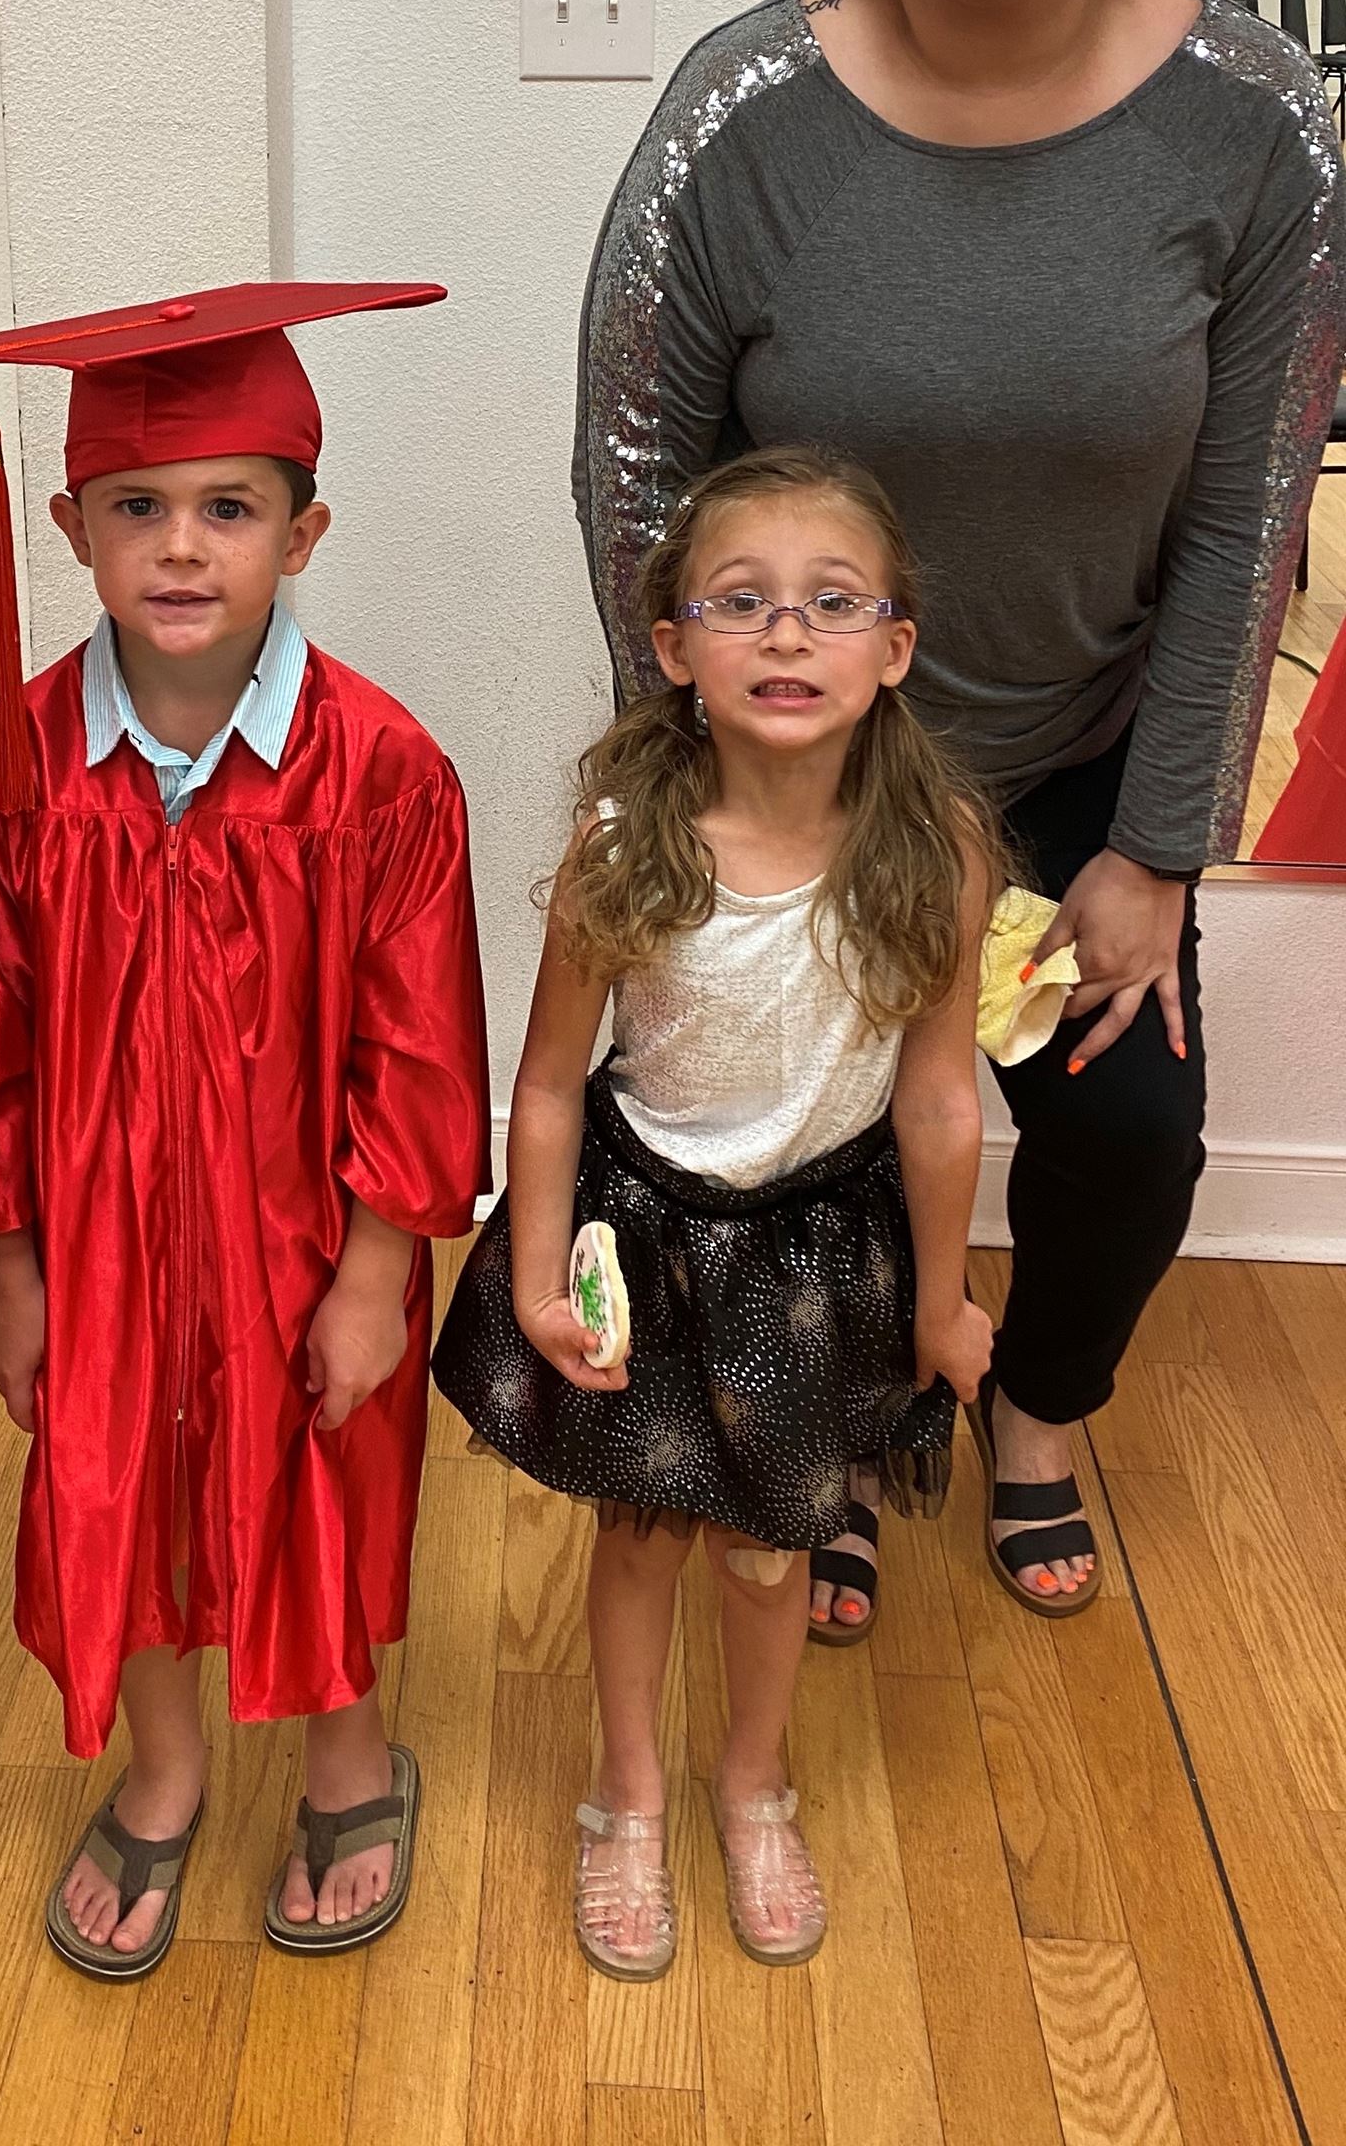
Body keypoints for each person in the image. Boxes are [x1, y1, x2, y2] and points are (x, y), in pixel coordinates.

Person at [576, 0, 1346, 1632]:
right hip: (806, 770)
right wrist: (716, 788)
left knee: (1135, 1136)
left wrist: (1159, 851)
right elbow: (636, 479)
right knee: (793, 1156)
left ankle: (1035, 1407)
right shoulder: (742, 112)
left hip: (1091, 753)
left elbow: (1252, 508)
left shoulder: (1261, 124)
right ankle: (827, 1435)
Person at [0, 282, 490, 1976]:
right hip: (85, 1240)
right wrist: (5, 1261)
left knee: (319, 1485)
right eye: (139, 509)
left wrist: (382, 1269)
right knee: (111, 1484)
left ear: (303, 530)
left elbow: (421, 1050)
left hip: (305, 1240)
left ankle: (345, 1756)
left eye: (229, 509)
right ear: (71, 524)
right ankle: (164, 1770)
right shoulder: (11, 765)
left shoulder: (382, 772)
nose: (182, 548)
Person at [433, 447, 994, 1970]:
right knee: (642, 1535)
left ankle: (753, 1784)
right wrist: (542, 1278)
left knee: (771, 1547)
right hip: (649, 1234)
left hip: (816, 1251)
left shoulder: (933, 850)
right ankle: (625, 1798)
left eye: (830, 605)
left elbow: (941, 1101)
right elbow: (549, 1088)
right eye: (743, 605)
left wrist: (944, 1302)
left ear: (895, 649)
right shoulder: (630, 842)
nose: (788, 637)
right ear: (676, 651)